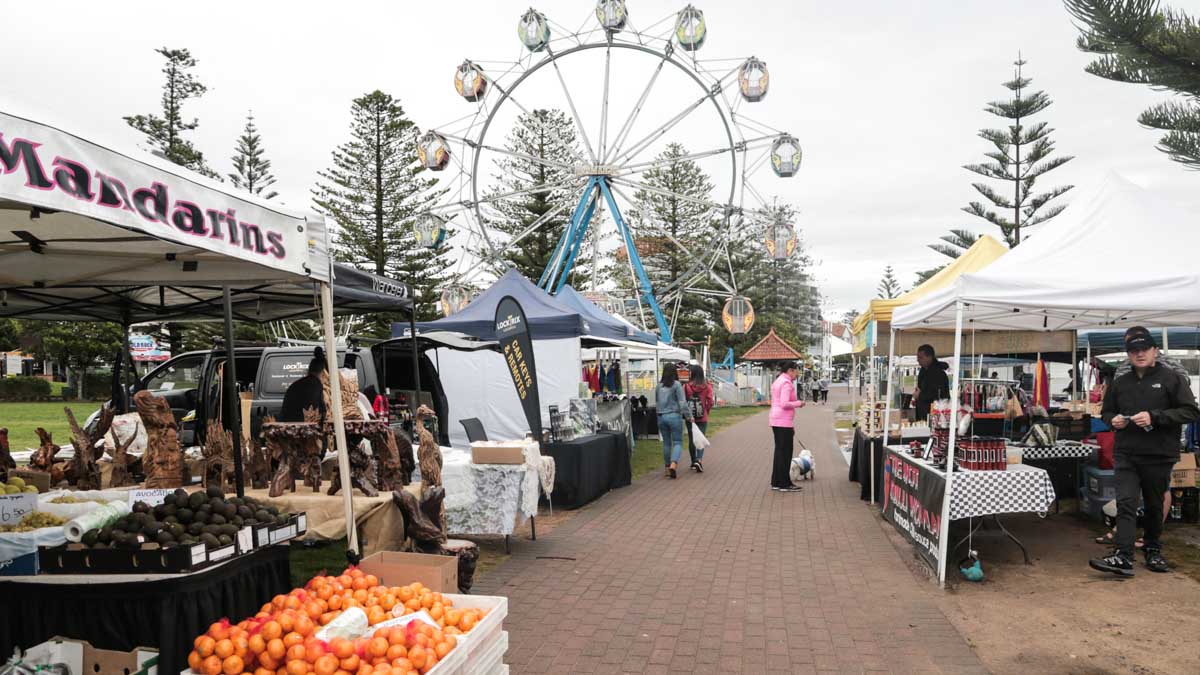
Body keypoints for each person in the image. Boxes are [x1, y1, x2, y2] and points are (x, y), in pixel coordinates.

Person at [1090, 327, 1200, 577]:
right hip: (1126, 452)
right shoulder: (1119, 382)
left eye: (1144, 349)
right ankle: (1123, 555)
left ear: (1154, 351)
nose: (1139, 354)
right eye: (1134, 350)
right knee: (1127, 503)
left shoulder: (1172, 378)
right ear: (1128, 354)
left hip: (1159, 453)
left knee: (1153, 505)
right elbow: (1106, 412)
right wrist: (1112, 420)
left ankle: (1152, 548)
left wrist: (1155, 416)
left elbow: (1191, 411)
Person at [769, 361, 806, 492]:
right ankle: (784, 483)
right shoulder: (786, 383)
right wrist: (799, 403)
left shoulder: (778, 381)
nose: (798, 373)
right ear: (790, 370)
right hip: (783, 420)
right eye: (797, 370)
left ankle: (777, 481)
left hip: (777, 420)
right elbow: (785, 403)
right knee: (785, 452)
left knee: (779, 451)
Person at [656, 364, 693, 479]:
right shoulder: (676, 385)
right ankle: (673, 464)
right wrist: (688, 416)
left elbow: (656, 402)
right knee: (677, 442)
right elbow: (682, 402)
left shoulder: (658, 386)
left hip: (661, 416)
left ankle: (667, 468)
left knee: (666, 443)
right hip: (674, 416)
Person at [280, 347, 327, 422]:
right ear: (323, 372)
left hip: (287, 421)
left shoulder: (298, 384)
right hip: (298, 424)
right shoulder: (315, 384)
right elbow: (318, 408)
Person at [684, 365, 715, 473]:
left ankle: (693, 462)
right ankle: (699, 460)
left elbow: (683, 402)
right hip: (703, 417)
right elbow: (710, 401)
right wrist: (706, 410)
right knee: (700, 438)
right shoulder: (707, 386)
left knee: (692, 439)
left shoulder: (686, 386)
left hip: (690, 417)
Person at [911, 344, 950, 422]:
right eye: (918, 357)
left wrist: (920, 395)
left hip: (935, 415)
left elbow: (938, 395)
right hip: (923, 413)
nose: (918, 360)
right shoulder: (923, 371)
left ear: (929, 357)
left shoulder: (938, 374)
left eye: (921, 357)